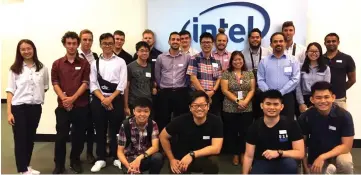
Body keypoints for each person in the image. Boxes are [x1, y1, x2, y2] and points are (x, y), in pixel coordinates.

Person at [6, 39, 49, 174]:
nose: (26, 51)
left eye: (28, 48)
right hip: (19, 108)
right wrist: (9, 112)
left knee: (30, 138)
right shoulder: (14, 69)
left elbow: (45, 87)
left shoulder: (42, 68)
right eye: (23, 49)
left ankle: (27, 166)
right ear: (19, 52)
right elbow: (10, 91)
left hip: (35, 108)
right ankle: (22, 170)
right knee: (20, 139)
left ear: (33, 49)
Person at [51, 31, 90, 174]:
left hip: (80, 106)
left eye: (74, 43)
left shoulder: (85, 63)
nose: (72, 46)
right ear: (64, 44)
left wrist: (72, 99)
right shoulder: (57, 64)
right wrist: (64, 99)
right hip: (63, 107)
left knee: (78, 136)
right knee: (61, 136)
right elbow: (55, 83)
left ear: (78, 44)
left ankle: (75, 160)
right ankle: (59, 165)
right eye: (69, 43)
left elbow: (85, 83)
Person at [159, 90, 223, 174]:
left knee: (213, 161)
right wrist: (171, 159)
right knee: (176, 168)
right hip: (181, 158)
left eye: (203, 105)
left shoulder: (216, 121)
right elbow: (163, 136)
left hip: (202, 157)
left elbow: (216, 148)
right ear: (190, 108)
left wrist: (192, 155)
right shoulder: (180, 120)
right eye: (195, 106)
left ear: (208, 106)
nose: (199, 108)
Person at [242, 90, 304, 174]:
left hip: (285, 160)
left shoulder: (291, 124)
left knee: (290, 165)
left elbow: (300, 153)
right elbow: (248, 156)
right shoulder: (254, 127)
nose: (271, 107)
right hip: (262, 162)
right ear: (261, 105)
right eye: (268, 104)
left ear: (281, 107)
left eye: (275, 104)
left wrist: (279, 153)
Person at [90, 33, 127, 172]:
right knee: (100, 130)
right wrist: (103, 99)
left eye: (110, 43)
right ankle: (100, 158)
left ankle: (116, 157)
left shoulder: (120, 62)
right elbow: (93, 84)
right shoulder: (95, 63)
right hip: (99, 100)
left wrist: (110, 99)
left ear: (114, 44)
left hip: (115, 100)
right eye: (105, 43)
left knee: (116, 130)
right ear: (100, 45)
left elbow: (122, 83)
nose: (108, 46)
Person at [298, 81, 354, 174]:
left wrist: (323, 156)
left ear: (333, 98)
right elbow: (301, 145)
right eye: (318, 98)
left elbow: (346, 147)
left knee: (345, 163)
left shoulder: (344, 116)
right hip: (316, 157)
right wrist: (306, 168)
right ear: (312, 100)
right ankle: (328, 170)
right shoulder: (305, 117)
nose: (323, 101)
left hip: (338, 154)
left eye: (326, 97)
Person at [220, 51, 255, 165]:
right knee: (232, 132)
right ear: (231, 61)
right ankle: (235, 154)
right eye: (235, 60)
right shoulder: (226, 73)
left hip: (247, 107)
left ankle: (243, 153)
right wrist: (238, 100)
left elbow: (252, 89)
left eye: (240, 59)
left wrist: (245, 101)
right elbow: (224, 90)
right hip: (230, 107)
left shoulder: (249, 73)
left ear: (243, 60)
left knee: (245, 132)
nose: (237, 62)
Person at [257, 32, 300, 120]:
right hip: (268, 98)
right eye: (275, 41)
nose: (278, 43)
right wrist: (270, 94)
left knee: (287, 124)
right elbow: (260, 80)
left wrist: (280, 92)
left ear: (285, 43)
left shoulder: (293, 60)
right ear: (271, 44)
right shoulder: (264, 61)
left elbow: (295, 79)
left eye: (281, 41)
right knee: (268, 123)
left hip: (287, 97)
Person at [154, 32, 191, 131]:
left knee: (181, 120)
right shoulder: (161, 57)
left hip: (181, 93)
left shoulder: (187, 57)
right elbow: (157, 75)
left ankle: (179, 144)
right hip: (165, 93)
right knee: (162, 120)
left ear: (180, 42)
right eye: (173, 39)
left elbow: (188, 74)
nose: (175, 41)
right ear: (169, 41)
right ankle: (162, 144)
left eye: (178, 40)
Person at [117, 97, 164, 174]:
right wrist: (128, 166)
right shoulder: (125, 125)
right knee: (132, 171)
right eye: (139, 111)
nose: (142, 114)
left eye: (146, 111)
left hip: (146, 156)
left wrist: (139, 158)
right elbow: (120, 151)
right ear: (134, 111)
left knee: (158, 157)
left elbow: (155, 147)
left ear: (149, 112)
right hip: (130, 159)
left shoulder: (153, 124)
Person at [187, 32, 222, 116]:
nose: (206, 44)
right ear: (200, 44)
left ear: (213, 44)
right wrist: (205, 95)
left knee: (213, 120)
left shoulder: (216, 61)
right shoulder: (194, 58)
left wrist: (213, 91)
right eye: (204, 42)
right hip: (197, 96)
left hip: (213, 95)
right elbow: (193, 78)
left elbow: (219, 78)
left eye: (209, 42)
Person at [242, 28, 272, 120]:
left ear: (261, 38)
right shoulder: (242, 53)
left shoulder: (268, 53)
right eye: (252, 37)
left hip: (264, 89)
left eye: (257, 37)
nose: (255, 39)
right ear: (249, 39)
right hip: (248, 90)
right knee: (249, 117)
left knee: (263, 115)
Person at [78, 29, 98, 164]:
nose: (87, 42)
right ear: (80, 40)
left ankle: (90, 153)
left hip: (93, 94)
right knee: (79, 127)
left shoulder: (96, 56)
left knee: (91, 126)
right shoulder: (75, 56)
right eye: (84, 39)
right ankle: (77, 155)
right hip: (79, 95)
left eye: (90, 39)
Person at [323, 33, 356, 109]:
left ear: (338, 42)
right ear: (325, 43)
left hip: (339, 99)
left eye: (334, 41)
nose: (331, 43)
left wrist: (341, 89)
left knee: (341, 120)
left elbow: (352, 80)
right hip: (323, 99)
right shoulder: (320, 59)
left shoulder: (347, 58)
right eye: (328, 41)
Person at [296, 42, 331, 113]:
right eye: (311, 51)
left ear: (320, 53)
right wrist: (301, 103)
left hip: (319, 99)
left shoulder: (326, 68)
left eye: (316, 51)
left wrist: (319, 102)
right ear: (306, 53)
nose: (313, 53)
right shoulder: (300, 67)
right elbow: (297, 86)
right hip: (304, 99)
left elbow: (326, 87)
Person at [124, 41, 155, 116]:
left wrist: (154, 87)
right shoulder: (130, 67)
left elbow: (152, 82)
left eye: (147, 51)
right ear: (137, 52)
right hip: (134, 102)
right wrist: (126, 106)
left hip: (148, 102)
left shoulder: (151, 66)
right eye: (142, 51)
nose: (144, 53)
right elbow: (126, 87)